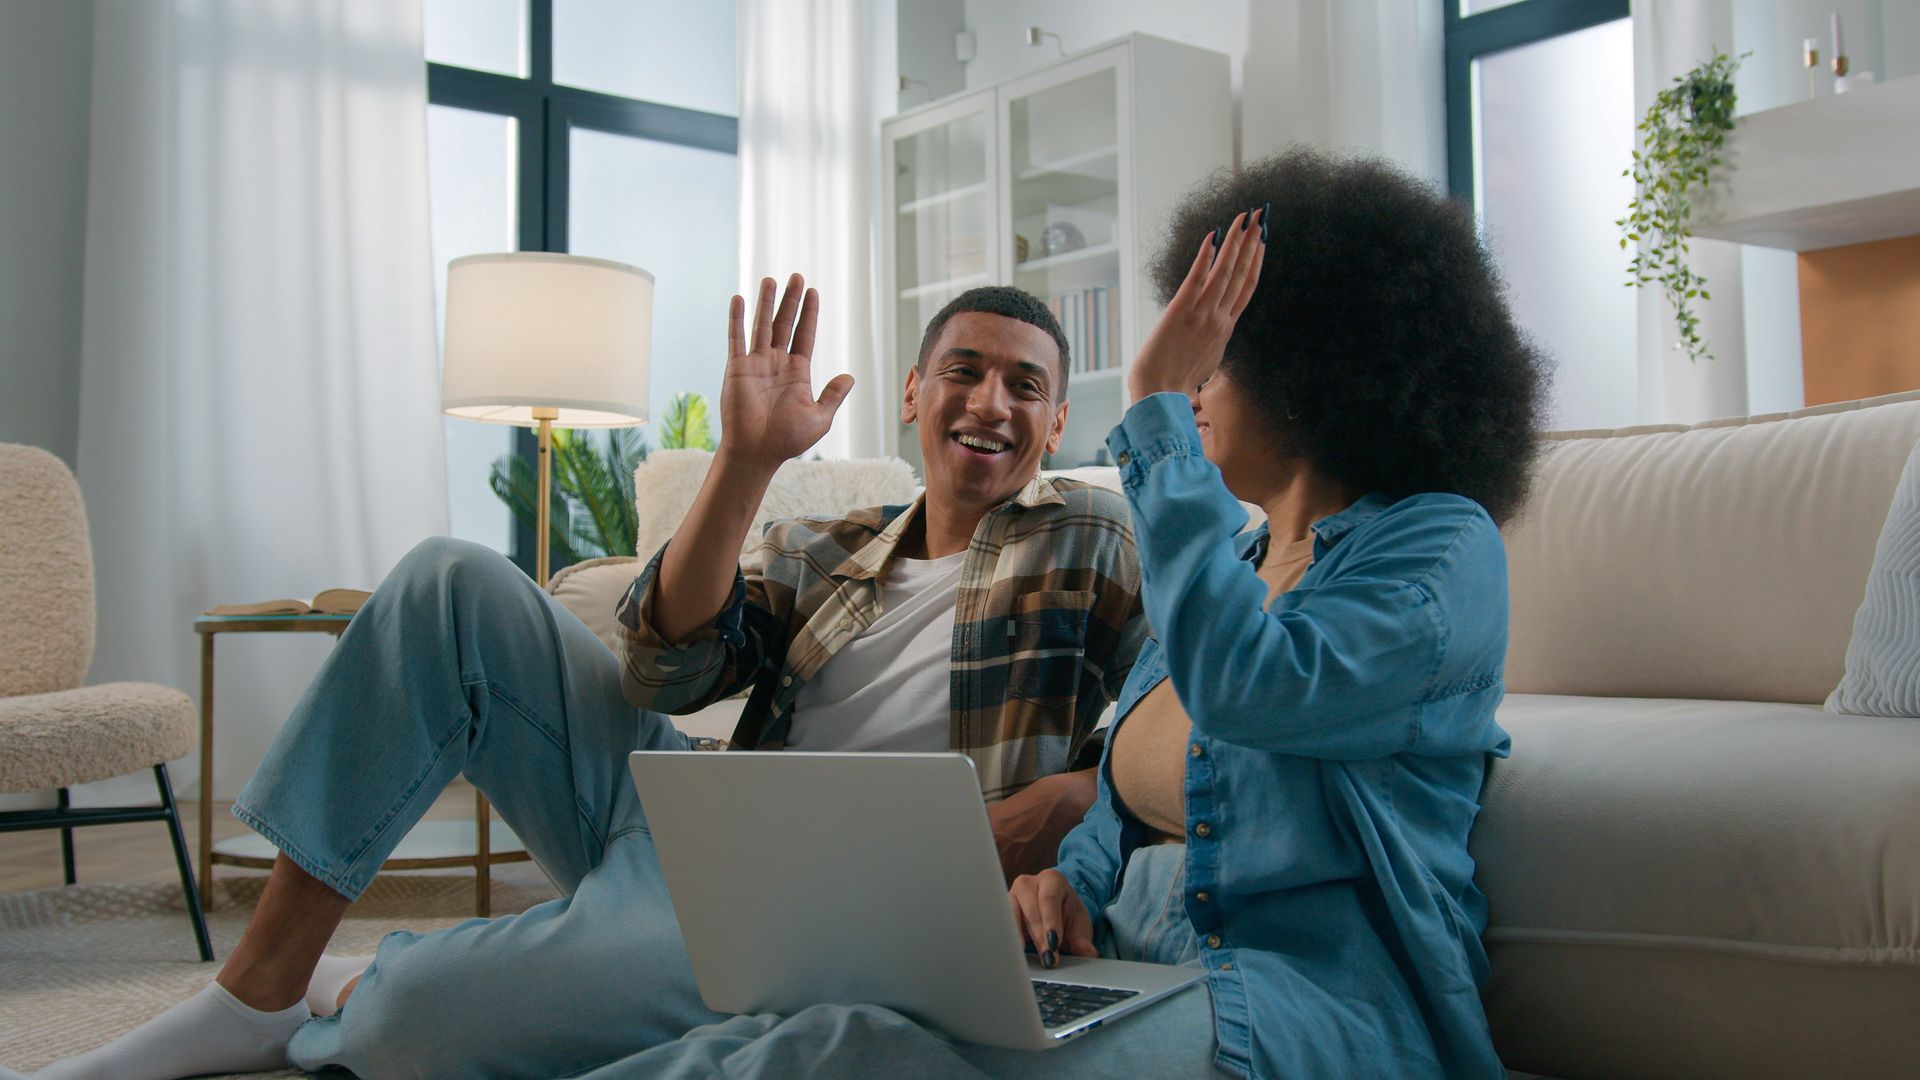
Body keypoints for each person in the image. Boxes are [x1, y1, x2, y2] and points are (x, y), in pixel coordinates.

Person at [31, 278, 1147, 1080]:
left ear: (1055, 421)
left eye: (1024, 384)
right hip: (690, 802)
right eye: (964, 370)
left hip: (819, 904)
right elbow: (669, 669)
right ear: (913, 395)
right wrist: (746, 462)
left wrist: (1080, 793)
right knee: (447, 582)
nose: (989, 402)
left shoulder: (1091, 532)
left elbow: (1174, 704)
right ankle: (257, 989)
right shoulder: (825, 544)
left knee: (400, 1033)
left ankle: (380, 982)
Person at [1006, 148, 1548, 1076]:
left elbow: (1247, 687)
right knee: (837, 1033)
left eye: (1214, 360)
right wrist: (1069, 886)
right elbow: (1123, 803)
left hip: (1312, 1010)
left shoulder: (1443, 552)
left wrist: (1154, 408)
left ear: (1316, 371)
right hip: (1131, 977)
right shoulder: (1227, 561)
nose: (1195, 391)